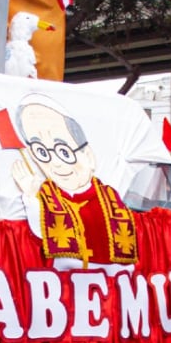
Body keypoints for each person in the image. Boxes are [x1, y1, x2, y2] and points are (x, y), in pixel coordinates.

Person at [11, 95, 137, 269]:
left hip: (110, 277)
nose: (56, 163)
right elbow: (40, 236)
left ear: (89, 156)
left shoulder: (108, 198)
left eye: (64, 152)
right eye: (42, 152)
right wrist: (31, 196)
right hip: (63, 278)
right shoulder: (47, 196)